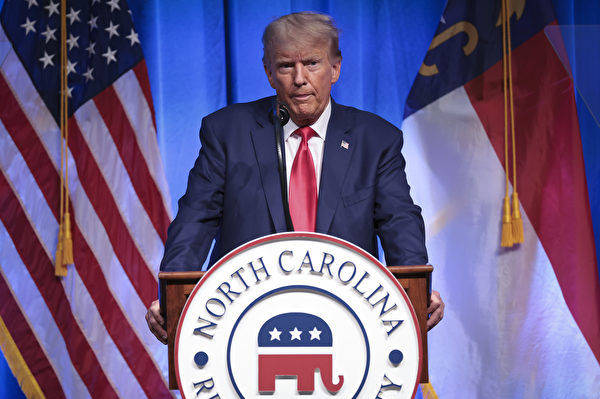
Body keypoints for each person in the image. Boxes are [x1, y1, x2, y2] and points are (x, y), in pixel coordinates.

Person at [146, 12, 444, 344]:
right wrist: (172, 293)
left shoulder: (375, 140)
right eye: (287, 66)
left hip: (348, 323)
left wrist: (417, 289)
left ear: (335, 68)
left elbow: (399, 222)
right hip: (245, 323)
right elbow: (195, 220)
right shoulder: (227, 133)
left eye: (313, 63)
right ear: (269, 72)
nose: (299, 78)